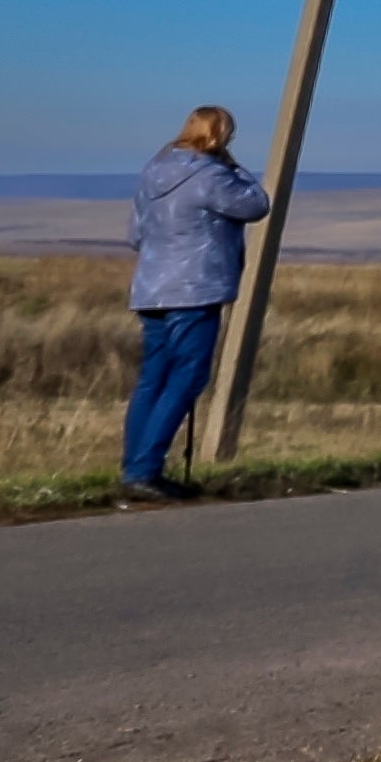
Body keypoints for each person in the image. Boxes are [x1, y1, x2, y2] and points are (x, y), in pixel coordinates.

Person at [121, 104, 272, 502]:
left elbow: (135, 234)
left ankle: (134, 466)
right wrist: (235, 166)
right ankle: (145, 470)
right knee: (187, 376)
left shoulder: (152, 173)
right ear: (220, 136)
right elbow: (257, 204)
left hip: (151, 289)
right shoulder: (212, 176)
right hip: (196, 289)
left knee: (153, 377)